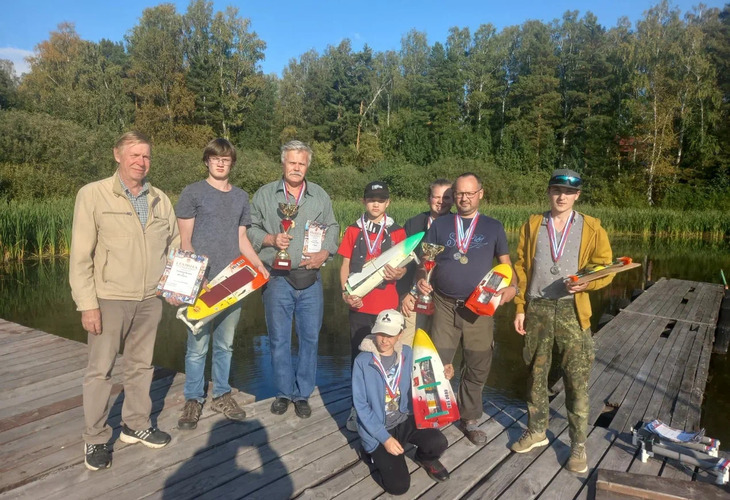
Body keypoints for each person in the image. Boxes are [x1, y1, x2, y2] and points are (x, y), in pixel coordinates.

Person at [69, 131, 179, 471]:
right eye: (134, 155)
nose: (140, 162)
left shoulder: (160, 198)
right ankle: (96, 438)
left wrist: (176, 284)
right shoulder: (94, 194)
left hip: (151, 299)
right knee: (100, 371)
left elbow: (173, 246)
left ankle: (135, 424)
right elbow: (80, 256)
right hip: (109, 299)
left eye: (145, 156)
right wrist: (87, 303)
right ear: (117, 155)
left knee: (141, 366)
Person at [511, 169, 613, 474]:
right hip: (537, 307)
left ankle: (578, 446)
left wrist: (587, 284)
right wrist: (519, 307)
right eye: (556, 190)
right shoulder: (532, 224)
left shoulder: (591, 227)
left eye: (568, 192)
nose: (561, 196)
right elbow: (520, 269)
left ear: (577, 195)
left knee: (576, 379)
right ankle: (537, 430)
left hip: (572, 310)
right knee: (535, 372)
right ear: (548, 191)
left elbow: (604, 267)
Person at [175, 138, 269, 430]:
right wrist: (197, 277)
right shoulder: (192, 193)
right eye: (215, 158)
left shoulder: (241, 197)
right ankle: (193, 398)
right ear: (207, 161)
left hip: (233, 282)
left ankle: (222, 394)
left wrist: (258, 265)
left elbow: (242, 240)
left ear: (232, 163)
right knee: (197, 345)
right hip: (202, 282)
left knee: (225, 345)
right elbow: (185, 241)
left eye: (226, 159)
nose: (220, 162)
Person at [417, 172, 517, 445]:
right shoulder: (441, 224)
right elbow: (426, 261)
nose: (464, 198)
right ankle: (435, 417)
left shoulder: (493, 227)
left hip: (479, 310)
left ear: (480, 194)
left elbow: (507, 265)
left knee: (477, 365)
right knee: (436, 364)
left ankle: (469, 418)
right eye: (460, 193)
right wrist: (421, 281)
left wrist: (513, 288)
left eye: (470, 193)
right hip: (444, 305)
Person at [248, 140, 339, 419]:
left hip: (310, 278)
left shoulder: (319, 195)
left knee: (310, 339)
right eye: (291, 162)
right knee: (278, 339)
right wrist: (270, 239)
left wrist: (325, 252)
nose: (296, 167)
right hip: (277, 278)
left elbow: (333, 226)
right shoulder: (264, 195)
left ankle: (303, 394)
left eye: (301, 163)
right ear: (283, 163)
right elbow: (249, 228)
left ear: (307, 165)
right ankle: (283, 392)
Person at [352, 309, 450, 495]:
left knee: (439, 442)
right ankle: (372, 454)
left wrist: (443, 372)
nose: (384, 339)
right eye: (381, 332)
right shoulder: (362, 362)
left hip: (404, 418)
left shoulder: (407, 352)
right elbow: (361, 407)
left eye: (390, 334)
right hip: (379, 428)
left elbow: (427, 375)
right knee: (398, 487)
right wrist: (385, 439)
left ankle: (425, 458)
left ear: (400, 334)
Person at [338, 180, 407, 432]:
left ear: (387, 202)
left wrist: (398, 274)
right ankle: (358, 409)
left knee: (388, 359)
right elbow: (344, 266)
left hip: (387, 309)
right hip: (358, 305)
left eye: (380, 199)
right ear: (363, 201)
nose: (375, 203)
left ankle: (387, 405)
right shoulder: (352, 230)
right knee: (359, 359)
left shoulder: (397, 231)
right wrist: (345, 294)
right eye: (370, 199)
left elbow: (403, 268)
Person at [399, 179, 453, 346]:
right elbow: (402, 262)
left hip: (446, 300)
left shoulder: (458, 225)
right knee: (406, 346)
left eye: (446, 197)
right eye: (436, 197)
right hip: (414, 296)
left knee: (438, 350)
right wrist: (403, 293)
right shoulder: (413, 223)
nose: (441, 202)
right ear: (429, 198)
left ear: (453, 200)